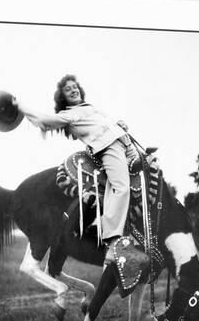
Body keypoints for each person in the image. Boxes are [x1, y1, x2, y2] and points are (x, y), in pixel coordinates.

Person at [14, 74, 135, 265]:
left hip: (127, 146)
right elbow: (43, 120)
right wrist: (20, 106)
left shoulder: (91, 108)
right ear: (64, 98)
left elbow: (106, 123)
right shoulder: (69, 114)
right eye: (68, 89)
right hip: (109, 147)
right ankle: (113, 244)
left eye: (75, 86)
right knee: (121, 188)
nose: (73, 89)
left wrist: (119, 126)